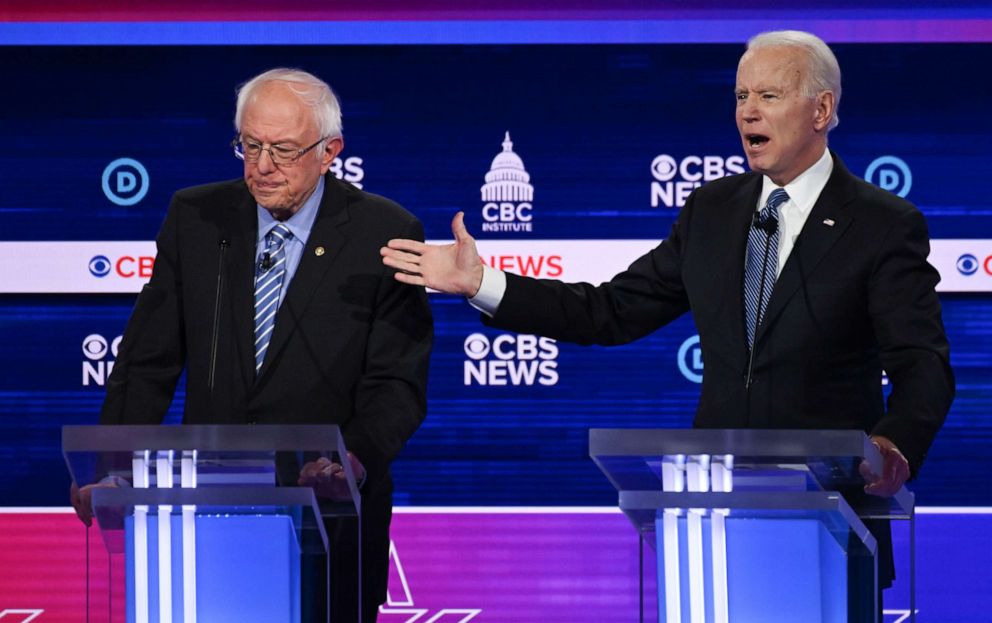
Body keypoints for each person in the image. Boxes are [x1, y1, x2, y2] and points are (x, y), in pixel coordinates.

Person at [381, 30, 953, 596]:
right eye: (740, 97)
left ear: (822, 109)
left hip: (834, 521)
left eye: (769, 97)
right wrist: (483, 283)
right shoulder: (713, 211)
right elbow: (610, 310)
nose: (747, 112)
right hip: (714, 517)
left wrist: (893, 447)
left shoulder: (881, 223)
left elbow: (923, 363)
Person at [71, 68, 433, 622]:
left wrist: (353, 459)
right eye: (250, 145)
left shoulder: (384, 232)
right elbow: (146, 361)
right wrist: (114, 466)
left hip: (330, 517)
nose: (262, 167)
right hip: (208, 508)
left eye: (283, 151)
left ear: (329, 150)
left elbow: (396, 382)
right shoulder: (196, 218)